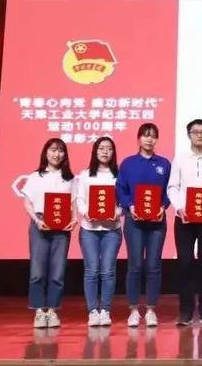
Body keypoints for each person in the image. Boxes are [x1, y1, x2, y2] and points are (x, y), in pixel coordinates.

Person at [116, 123, 171, 327]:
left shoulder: (164, 164)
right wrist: (129, 205)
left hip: (157, 222)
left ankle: (151, 310)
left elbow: (169, 190)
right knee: (135, 265)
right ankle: (133, 310)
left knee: (154, 265)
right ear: (138, 138)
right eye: (146, 135)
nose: (149, 139)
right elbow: (121, 188)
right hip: (134, 222)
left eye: (153, 136)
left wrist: (163, 206)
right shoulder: (128, 163)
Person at [167, 118, 202, 326]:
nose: (200, 135)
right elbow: (173, 187)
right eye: (195, 132)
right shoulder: (180, 159)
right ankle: (186, 312)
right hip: (184, 219)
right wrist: (180, 207)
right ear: (188, 135)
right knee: (185, 264)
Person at [21, 138, 76, 328]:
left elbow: (73, 203)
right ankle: (39, 311)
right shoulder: (35, 176)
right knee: (37, 271)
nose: (56, 154)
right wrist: (37, 221)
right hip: (40, 223)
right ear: (46, 152)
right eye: (53, 150)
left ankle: (52, 311)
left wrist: (74, 220)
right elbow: (27, 202)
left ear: (65, 155)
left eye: (60, 150)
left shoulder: (69, 178)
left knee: (57, 272)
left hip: (62, 227)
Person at [76, 136, 123, 326]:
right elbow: (80, 199)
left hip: (112, 230)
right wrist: (86, 213)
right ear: (95, 151)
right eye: (101, 148)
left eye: (109, 148)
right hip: (89, 229)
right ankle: (92, 311)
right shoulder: (85, 174)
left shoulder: (119, 175)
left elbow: (123, 201)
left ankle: (105, 310)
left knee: (108, 271)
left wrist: (117, 213)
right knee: (92, 270)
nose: (105, 151)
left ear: (113, 152)